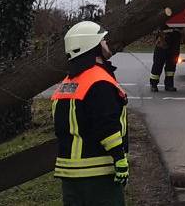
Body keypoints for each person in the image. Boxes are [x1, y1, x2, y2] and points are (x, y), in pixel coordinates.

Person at [52, 21, 129, 206]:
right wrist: (119, 158)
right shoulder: (99, 81)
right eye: (103, 40)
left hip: (69, 175)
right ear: (92, 45)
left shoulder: (67, 84)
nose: (106, 43)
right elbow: (107, 126)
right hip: (98, 174)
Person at [149, 23, 182, 92]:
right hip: (163, 36)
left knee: (172, 63)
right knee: (158, 63)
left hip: (175, 37)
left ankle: (169, 85)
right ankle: (153, 84)